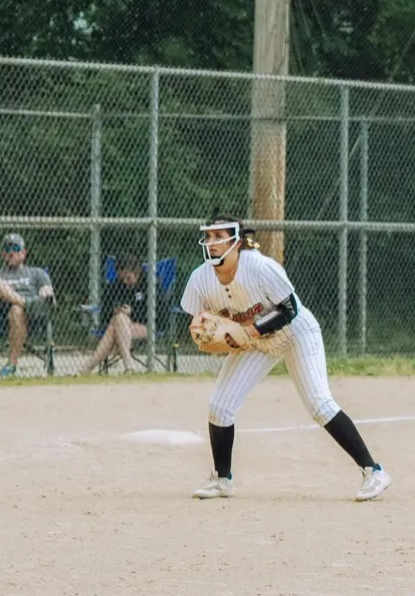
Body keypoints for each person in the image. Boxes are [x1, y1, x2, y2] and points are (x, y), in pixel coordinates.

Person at [179, 215, 391, 502]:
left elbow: (289, 310)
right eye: (209, 237)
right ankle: (221, 479)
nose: (212, 243)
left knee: (320, 404)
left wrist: (248, 331)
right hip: (253, 342)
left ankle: (373, 471)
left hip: (295, 333)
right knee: (219, 406)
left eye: (220, 237)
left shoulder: (260, 267)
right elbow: (200, 323)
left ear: (237, 242)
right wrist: (206, 335)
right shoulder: (200, 278)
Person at [0, 232, 55, 378]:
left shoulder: (37, 273)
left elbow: (48, 294)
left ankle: (11, 365)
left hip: (31, 318)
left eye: (15, 248)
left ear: (24, 252)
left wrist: (45, 293)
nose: (11, 252)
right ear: (2, 254)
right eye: (7, 249)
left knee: (17, 310)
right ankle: (24, 303)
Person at [79, 257, 149, 375]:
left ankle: (86, 368)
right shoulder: (115, 285)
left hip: (146, 326)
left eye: (128, 278)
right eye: (122, 278)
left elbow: (157, 313)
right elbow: (104, 311)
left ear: (136, 272)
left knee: (116, 325)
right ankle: (129, 367)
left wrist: (133, 312)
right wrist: (114, 310)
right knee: (119, 320)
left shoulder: (149, 283)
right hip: (121, 326)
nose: (125, 282)